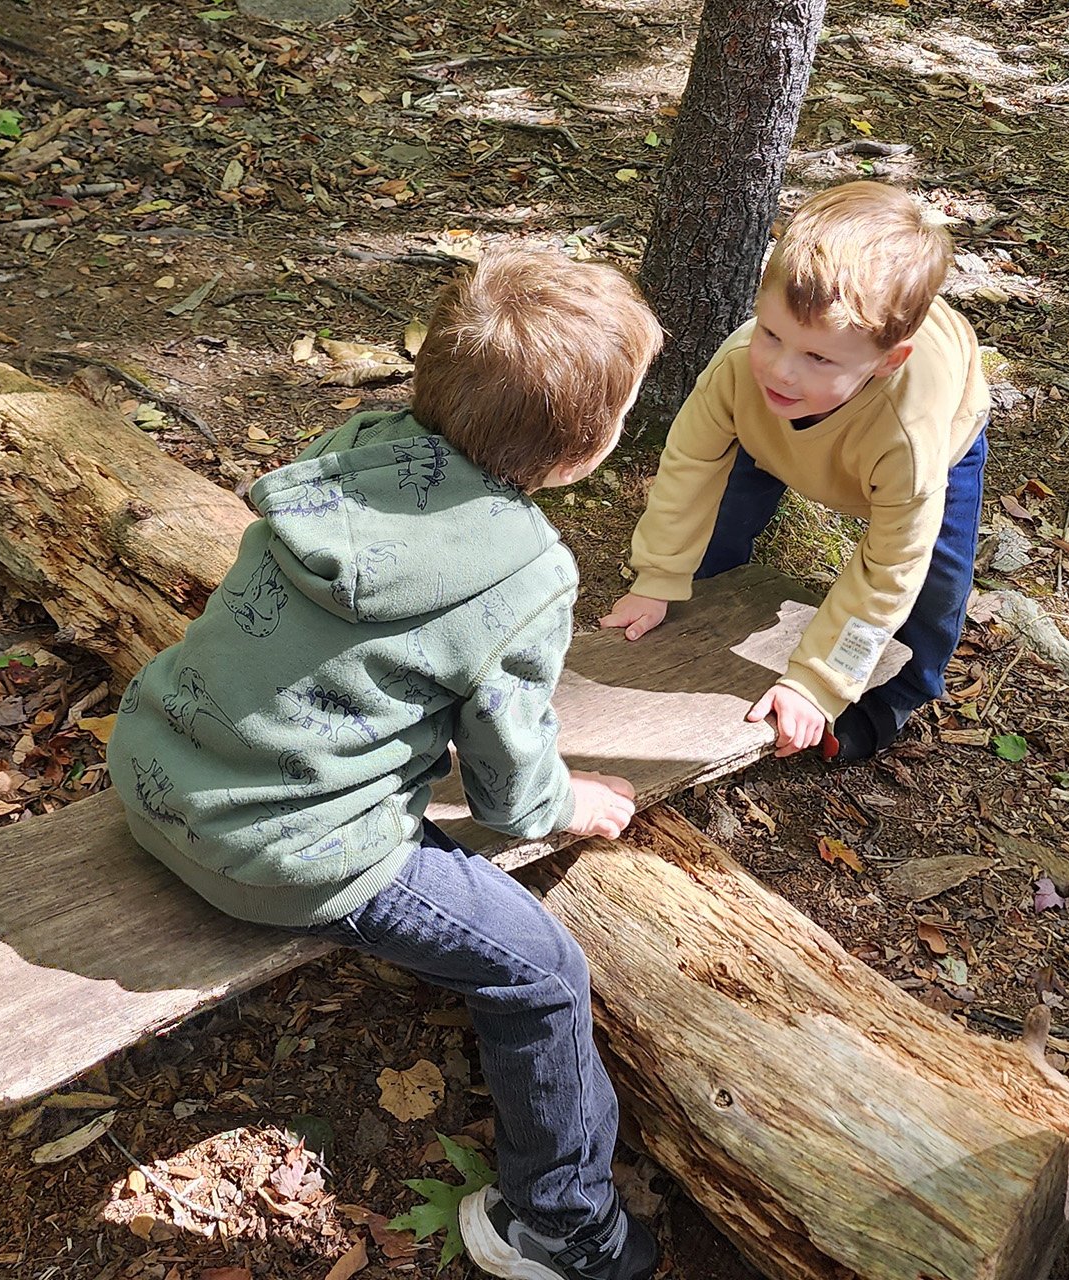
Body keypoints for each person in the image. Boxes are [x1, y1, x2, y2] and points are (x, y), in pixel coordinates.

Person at [107, 248, 665, 1280]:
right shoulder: (532, 571)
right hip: (283, 853)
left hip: (154, 769)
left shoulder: (353, 450)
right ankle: (560, 1221)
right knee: (543, 971)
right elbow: (503, 791)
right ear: (586, 447)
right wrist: (568, 799)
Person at [601, 181, 991, 763]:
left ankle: (892, 698)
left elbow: (889, 570)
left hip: (929, 450)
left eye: (816, 357)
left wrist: (820, 681)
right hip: (772, 439)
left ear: (889, 361)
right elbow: (690, 467)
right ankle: (702, 611)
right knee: (722, 517)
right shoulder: (741, 369)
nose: (780, 370)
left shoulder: (910, 438)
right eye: (770, 333)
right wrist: (658, 575)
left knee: (933, 580)